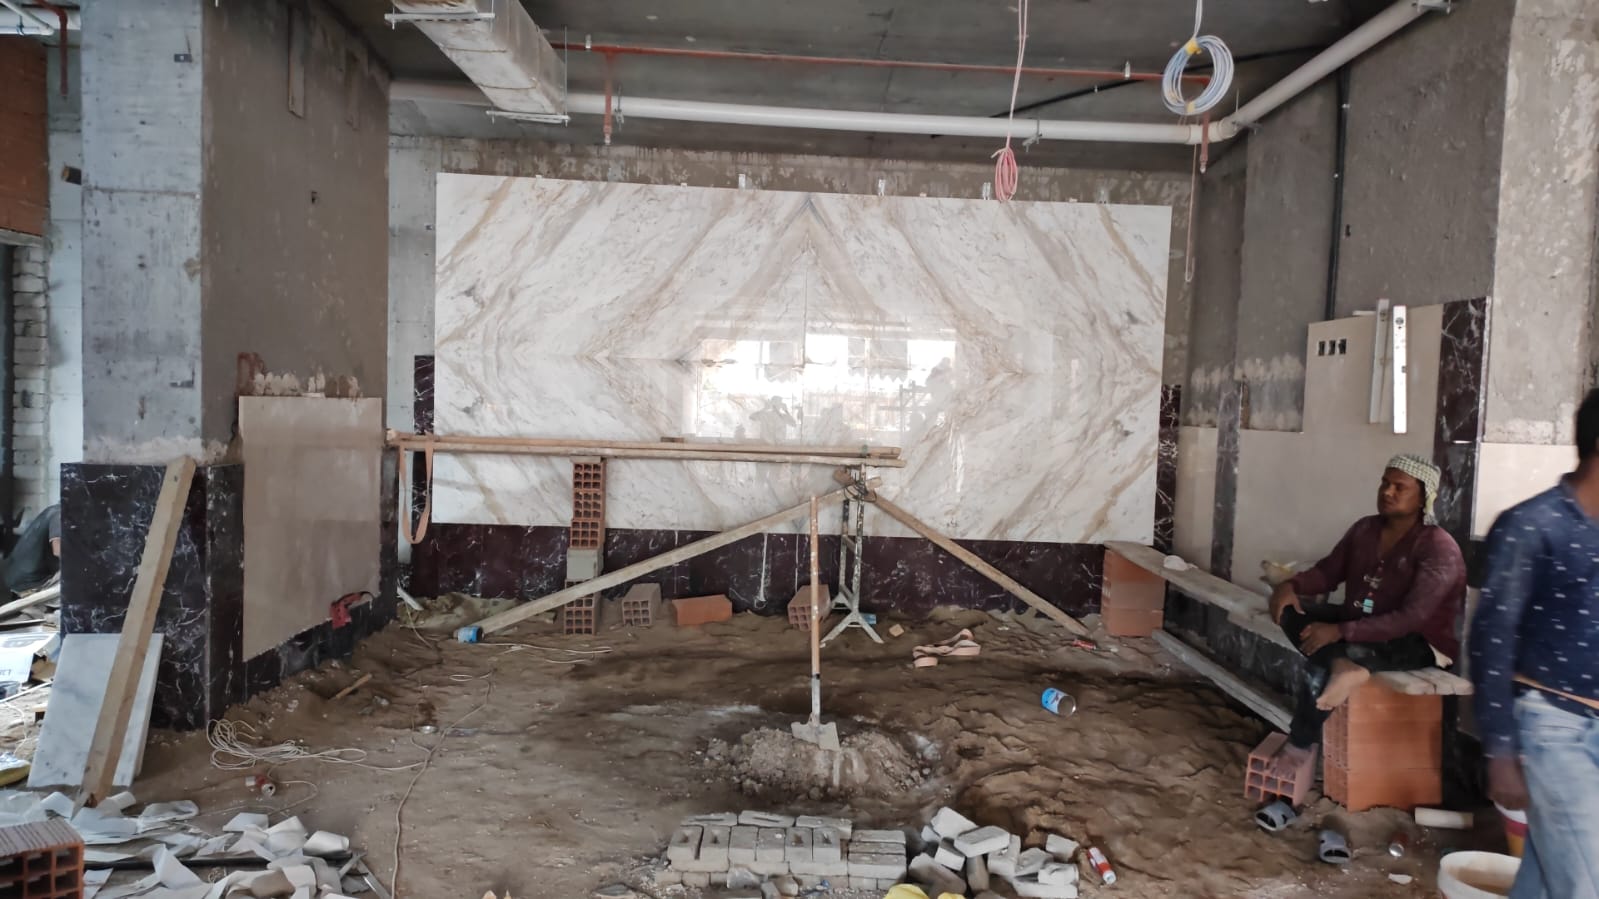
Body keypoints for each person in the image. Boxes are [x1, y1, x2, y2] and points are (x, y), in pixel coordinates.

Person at [1264, 455, 1467, 777]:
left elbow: (1411, 618)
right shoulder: (1365, 529)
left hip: (1417, 642)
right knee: (1290, 611)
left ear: (1423, 497)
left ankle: (1299, 745)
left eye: (1400, 487)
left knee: (1322, 657)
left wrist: (1340, 631)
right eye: (1384, 483)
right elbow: (1328, 572)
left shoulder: (1439, 548)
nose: (1387, 492)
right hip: (1359, 625)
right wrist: (1291, 586)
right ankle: (1343, 664)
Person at [1471, 389, 1599, 899]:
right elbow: (1491, 640)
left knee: (1548, 881)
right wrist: (1500, 750)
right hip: (1552, 729)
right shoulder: (1531, 525)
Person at [0, 504, 59, 598]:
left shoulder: (54, 511)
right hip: (30, 581)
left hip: (17, 575)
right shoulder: (59, 514)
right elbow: (58, 551)